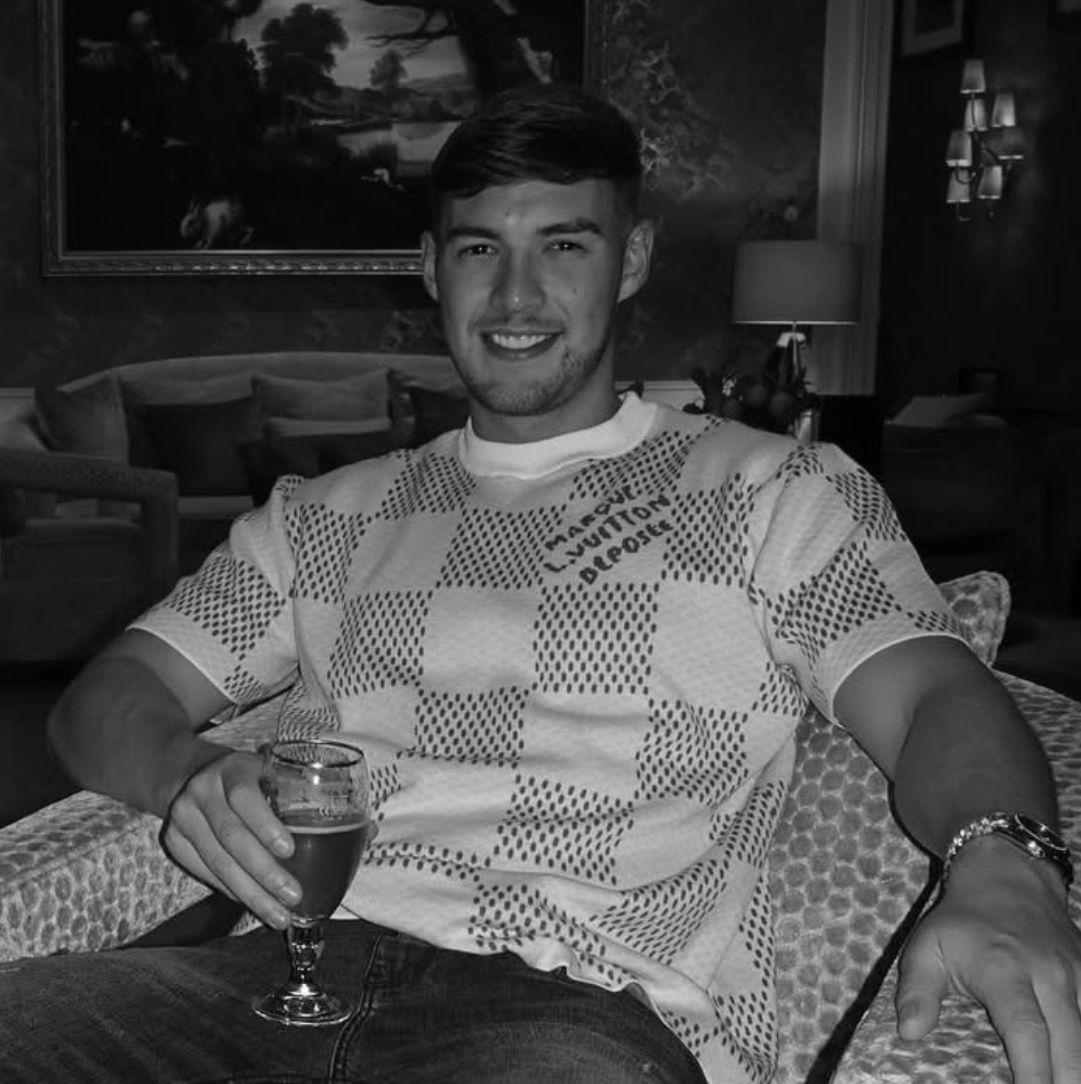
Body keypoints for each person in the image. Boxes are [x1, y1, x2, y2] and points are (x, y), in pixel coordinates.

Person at [2, 82, 1080, 1084]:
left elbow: (934, 695)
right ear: (432, 266)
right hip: (273, 980)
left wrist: (1004, 861)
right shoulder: (322, 516)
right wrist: (188, 772)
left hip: (570, 1010)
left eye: (564, 244)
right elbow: (110, 698)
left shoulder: (773, 490)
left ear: (632, 256)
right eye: (480, 248)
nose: (515, 294)